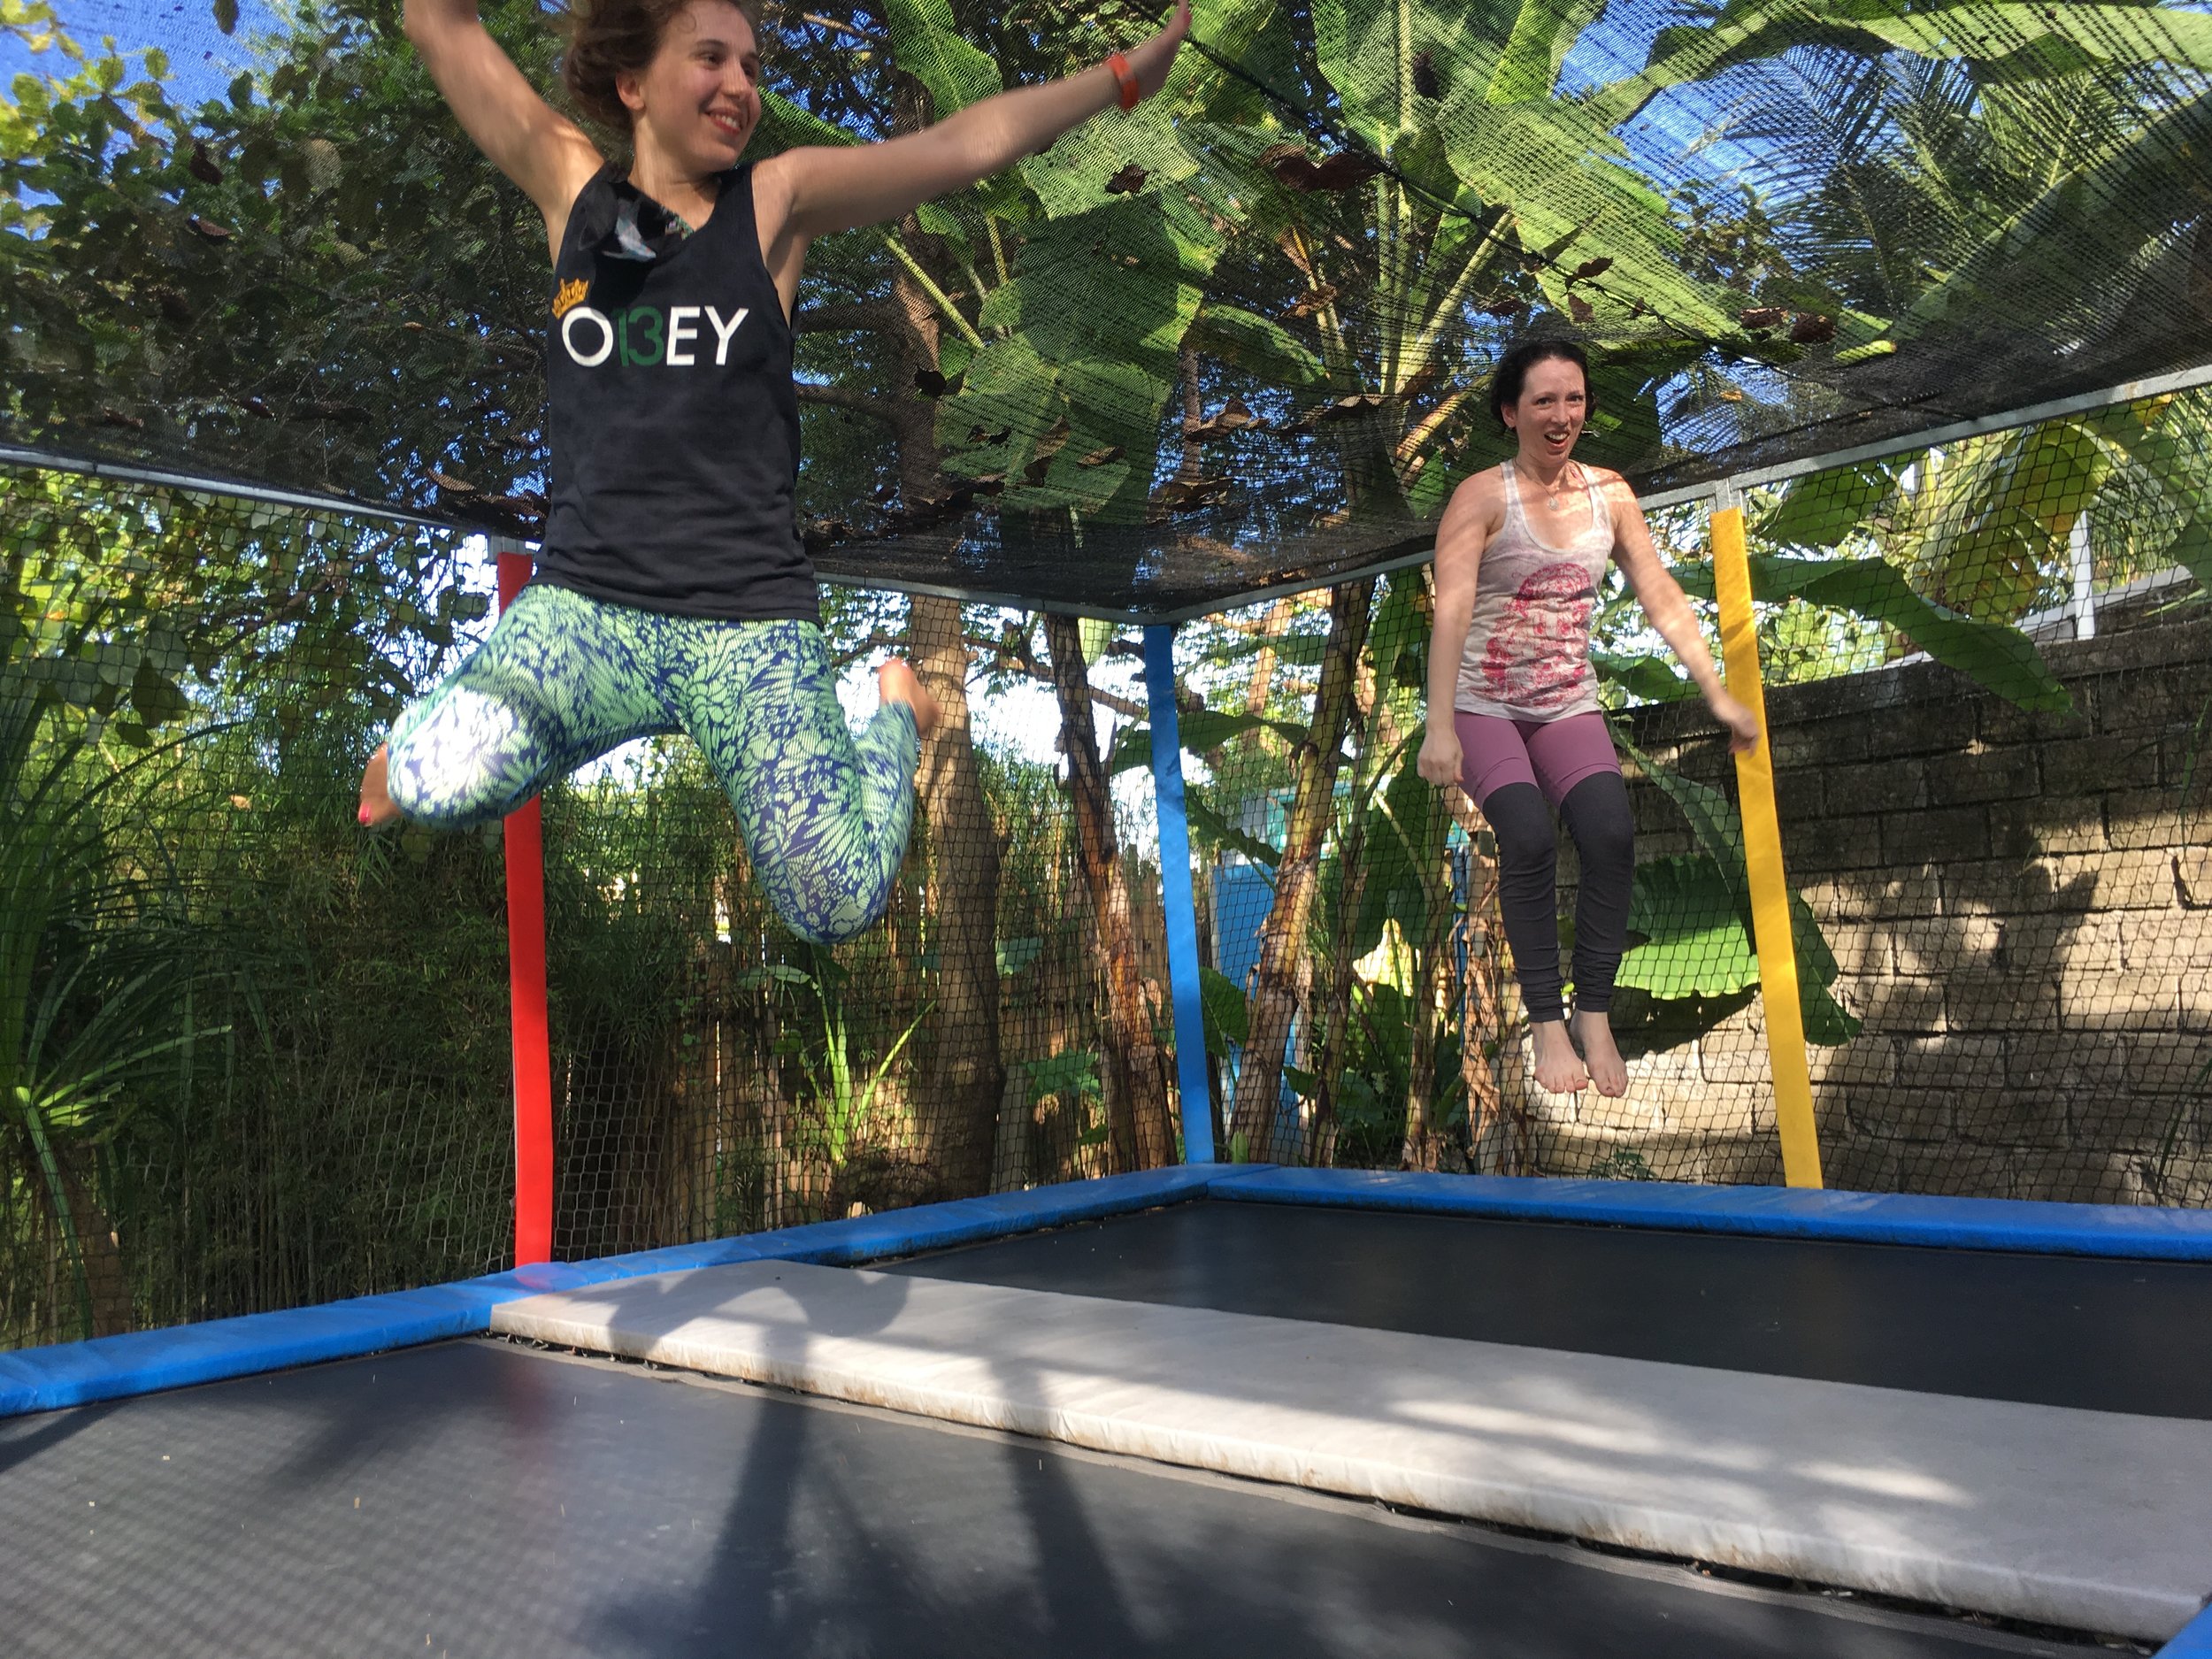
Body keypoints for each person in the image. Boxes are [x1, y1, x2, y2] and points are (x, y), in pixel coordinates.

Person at [360, 0, 1193, 945]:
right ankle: (443, 742)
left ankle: (897, 709)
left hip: (745, 625)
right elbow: (443, 25)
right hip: (590, 608)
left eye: (752, 67)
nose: (741, 87)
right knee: (433, 781)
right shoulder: (573, 189)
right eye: (711, 58)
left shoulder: (774, 202)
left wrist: (1120, 80)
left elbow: (966, 143)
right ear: (632, 85)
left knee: (835, 902)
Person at [1417, 338, 1759, 1097]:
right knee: (1530, 836)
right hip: (1482, 703)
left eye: (1573, 399)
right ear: (1511, 412)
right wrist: (1441, 723)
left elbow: (1661, 595)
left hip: (1566, 700)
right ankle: (1547, 1022)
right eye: (1544, 400)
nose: (1561, 414)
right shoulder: (1483, 496)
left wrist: (1714, 690)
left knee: (1610, 833)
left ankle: (1592, 1012)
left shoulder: (1611, 493)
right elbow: (1454, 609)